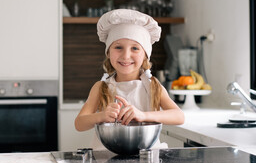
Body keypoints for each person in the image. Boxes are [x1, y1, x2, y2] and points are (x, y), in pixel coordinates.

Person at [74, 9, 184, 149]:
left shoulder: (152, 86)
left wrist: (143, 115)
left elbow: (179, 117)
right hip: (106, 160)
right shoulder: (101, 87)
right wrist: (102, 116)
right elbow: (79, 123)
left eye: (135, 48)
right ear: (108, 53)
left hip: (146, 159)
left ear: (145, 55)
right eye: (118, 47)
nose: (126, 56)